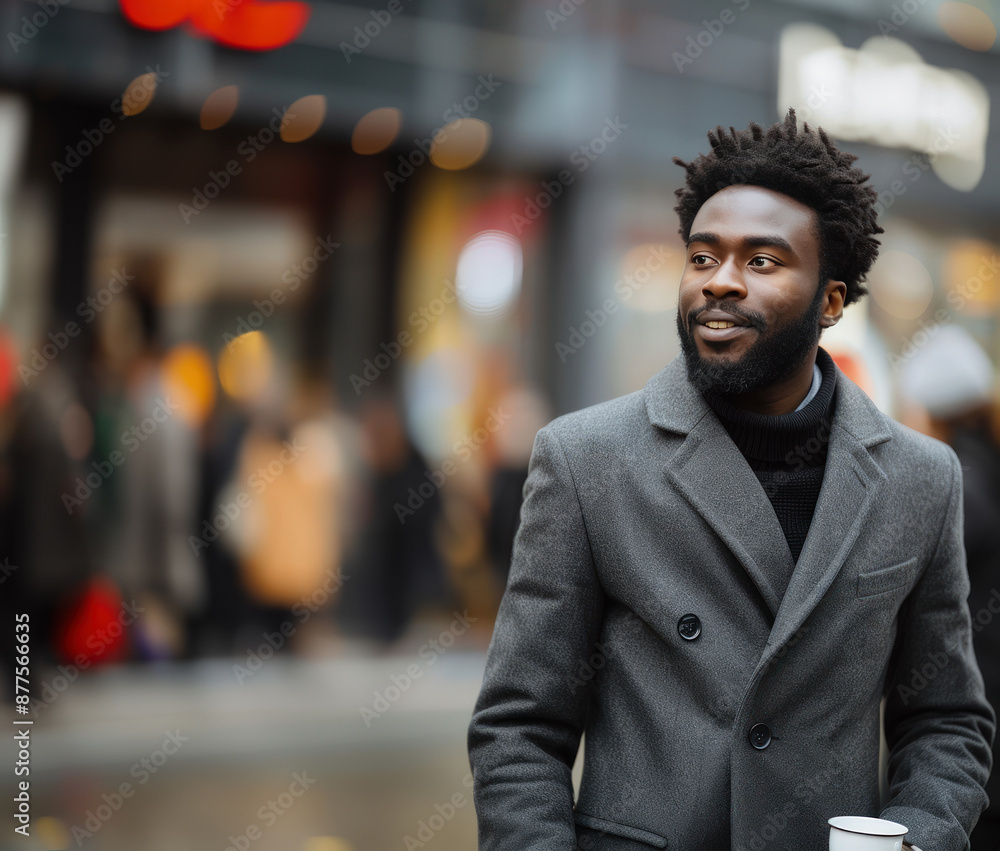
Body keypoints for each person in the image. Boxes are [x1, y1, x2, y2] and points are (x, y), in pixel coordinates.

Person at [466, 110, 994, 851]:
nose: (720, 283)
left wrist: (914, 837)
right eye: (703, 257)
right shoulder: (586, 459)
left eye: (762, 262)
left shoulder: (920, 477)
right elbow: (519, 728)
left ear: (832, 300)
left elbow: (945, 718)